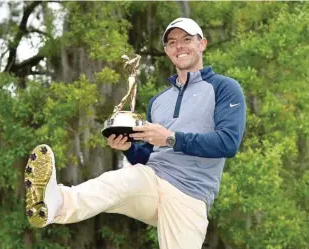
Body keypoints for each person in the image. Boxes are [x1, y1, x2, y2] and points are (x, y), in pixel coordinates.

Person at [24, 17, 246, 249]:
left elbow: (228, 143)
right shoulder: (158, 102)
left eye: (187, 39)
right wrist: (129, 149)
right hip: (152, 178)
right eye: (172, 42)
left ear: (202, 44)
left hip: (190, 193)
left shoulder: (224, 88)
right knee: (114, 182)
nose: (179, 46)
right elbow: (148, 156)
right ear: (167, 51)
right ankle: (55, 204)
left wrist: (171, 138)